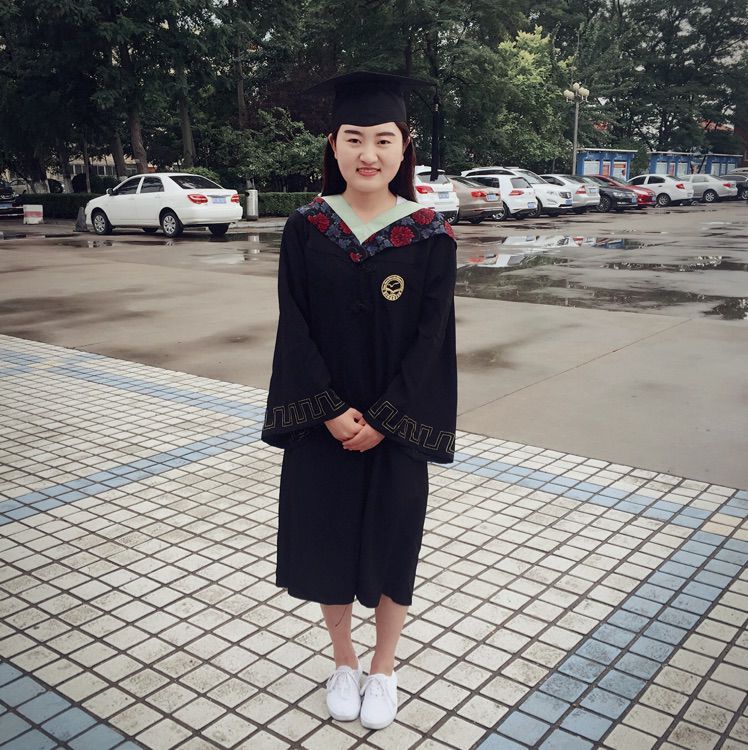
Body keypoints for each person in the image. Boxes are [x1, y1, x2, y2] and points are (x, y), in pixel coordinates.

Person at [261, 71, 457, 731]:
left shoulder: (429, 235)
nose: (368, 153)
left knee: (393, 547)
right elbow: (294, 326)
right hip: (325, 430)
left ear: (404, 147)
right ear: (333, 145)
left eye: (383, 139)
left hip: (395, 432)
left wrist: (386, 418)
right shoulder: (308, 228)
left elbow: (433, 340)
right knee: (329, 547)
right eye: (354, 138)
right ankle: (343, 661)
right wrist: (327, 409)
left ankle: (384, 668)